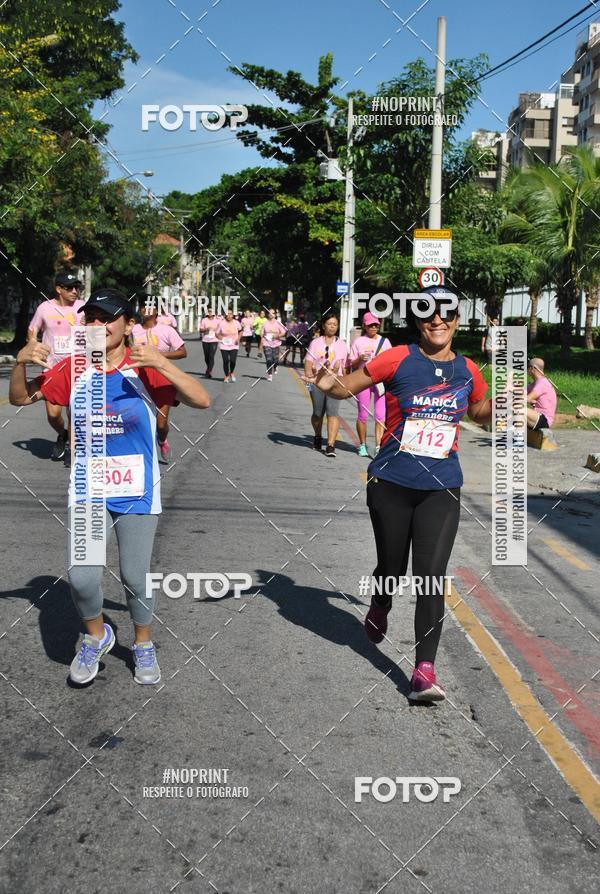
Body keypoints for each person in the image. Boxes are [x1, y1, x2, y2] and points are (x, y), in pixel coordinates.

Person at [9, 288, 210, 686]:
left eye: (108, 318)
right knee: (83, 578)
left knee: (135, 578)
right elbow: (19, 397)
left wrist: (163, 366)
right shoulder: (74, 367)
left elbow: (202, 400)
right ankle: (97, 635)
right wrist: (18, 363)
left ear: (128, 325)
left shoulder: (144, 366)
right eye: (92, 318)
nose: (98, 325)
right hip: (88, 488)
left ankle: (142, 643)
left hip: (137, 488)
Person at [304, 286, 493, 702]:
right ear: (418, 321)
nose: (437, 321)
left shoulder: (468, 369)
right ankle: (382, 601)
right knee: (392, 564)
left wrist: (513, 404)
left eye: (446, 314)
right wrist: (326, 377)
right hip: (390, 482)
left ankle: (424, 670)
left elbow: (479, 411)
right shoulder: (398, 358)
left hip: (441, 486)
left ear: (457, 319)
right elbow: (345, 387)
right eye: (428, 314)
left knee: (430, 577)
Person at [27, 270, 84, 463]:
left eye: (77, 287)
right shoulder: (45, 308)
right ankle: (64, 434)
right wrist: (33, 346)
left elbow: (96, 330)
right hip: (51, 368)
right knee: (53, 414)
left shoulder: (83, 307)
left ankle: (73, 449)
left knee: (75, 412)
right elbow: (32, 330)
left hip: (78, 368)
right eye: (70, 288)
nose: (75, 291)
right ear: (59, 289)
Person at [131, 304, 187, 462]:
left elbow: (183, 352)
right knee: (138, 419)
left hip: (162, 377)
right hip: (138, 377)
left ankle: (162, 440)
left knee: (161, 424)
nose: (145, 309)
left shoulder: (167, 330)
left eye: (149, 307)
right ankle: (143, 453)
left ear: (156, 311)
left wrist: (160, 355)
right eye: (143, 306)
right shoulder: (133, 329)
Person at [348, 312, 392, 458]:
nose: (373, 327)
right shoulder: (358, 342)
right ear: (364, 326)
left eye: (376, 325)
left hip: (380, 381)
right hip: (364, 380)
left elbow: (392, 362)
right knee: (363, 414)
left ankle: (379, 446)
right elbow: (350, 363)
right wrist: (359, 358)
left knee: (380, 415)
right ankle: (362, 444)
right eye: (370, 325)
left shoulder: (385, 342)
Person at [304, 315, 348, 457]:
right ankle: (317, 436)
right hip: (317, 382)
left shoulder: (341, 344)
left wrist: (344, 383)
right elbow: (308, 363)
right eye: (329, 324)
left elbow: (344, 366)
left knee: (332, 413)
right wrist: (309, 380)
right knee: (318, 413)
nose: (332, 326)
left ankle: (330, 445)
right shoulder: (315, 343)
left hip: (334, 383)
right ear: (324, 326)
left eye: (335, 324)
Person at [526, 357, 557, 430]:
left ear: (533, 368)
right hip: (536, 417)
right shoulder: (534, 384)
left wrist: (529, 400)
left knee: (518, 409)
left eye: (527, 367)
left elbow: (527, 398)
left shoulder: (542, 383)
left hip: (544, 419)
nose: (526, 369)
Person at [260, 309, 287, 380]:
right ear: (268, 314)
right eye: (269, 313)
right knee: (269, 359)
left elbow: (283, 332)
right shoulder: (265, 323)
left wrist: (277, 336)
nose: (271, 314)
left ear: (275, 314)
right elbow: (262, 334)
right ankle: (269, 374)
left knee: (275, 359)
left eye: (273, 313)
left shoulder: (278, 323)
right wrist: (262, 337)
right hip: (267, 343)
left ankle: (275, 366)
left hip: (276, 344)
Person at [217, 309, 242, 382]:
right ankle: (226, 375)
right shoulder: (221, 323)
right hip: (224, 345)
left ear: (233, 315)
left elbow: (241, 331)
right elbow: (217, 333)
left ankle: (231, 372)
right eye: (227, 314)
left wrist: (238, 339)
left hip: (234, 345)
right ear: (225, 315)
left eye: (230, 314)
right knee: (225, 361)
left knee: (233, 361)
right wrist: (220, 337)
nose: (229, 315)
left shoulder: (236, 323)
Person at [199, 308, 219, 377]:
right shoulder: (204, 320)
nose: (210, 313)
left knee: (211, 356)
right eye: (209, 311)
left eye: (211, 311)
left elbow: (220, 330)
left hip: (214, 340)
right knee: (206, 357)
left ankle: (209, 371)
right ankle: (209, 368)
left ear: (214, 312)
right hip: (205, 340)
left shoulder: (217, 321)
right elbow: (200, 330)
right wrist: (206, 329)